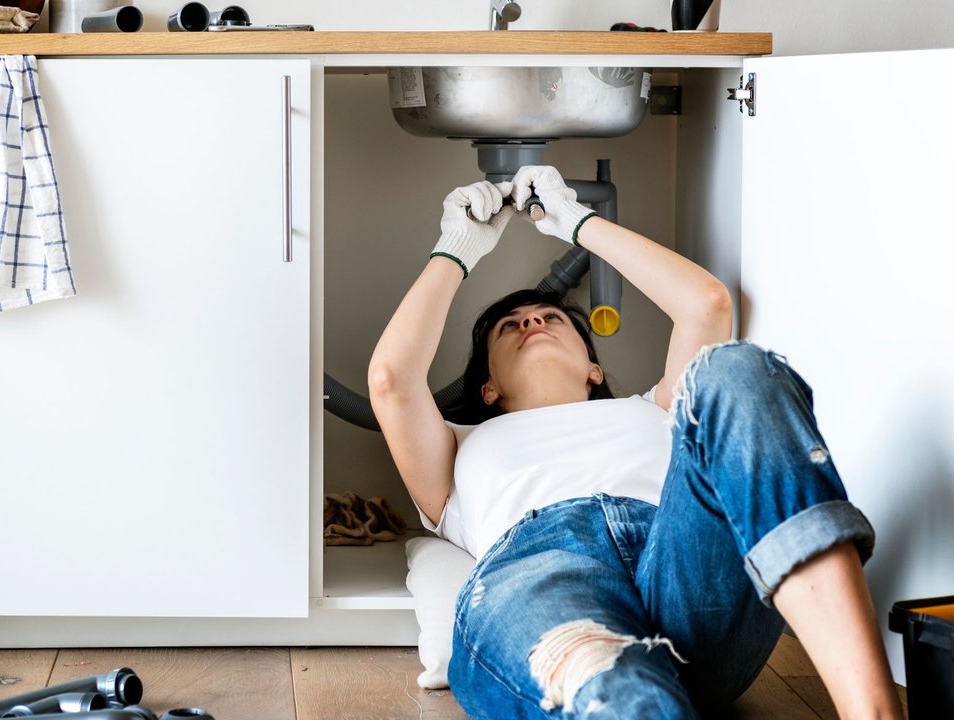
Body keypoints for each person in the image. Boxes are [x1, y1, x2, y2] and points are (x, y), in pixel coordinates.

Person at [367, 166, 903, 719]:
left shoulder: (657, 407)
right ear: (488, 386)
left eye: (549, 316)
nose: (532, 322)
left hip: (688, 567)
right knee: (615, 689)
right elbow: (390, 380)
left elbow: (707, 305)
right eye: (512, 326)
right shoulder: (459, 446)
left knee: (736, 369)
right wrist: (456, 250)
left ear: (594, 370)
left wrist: (578, 223)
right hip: (544, 575)